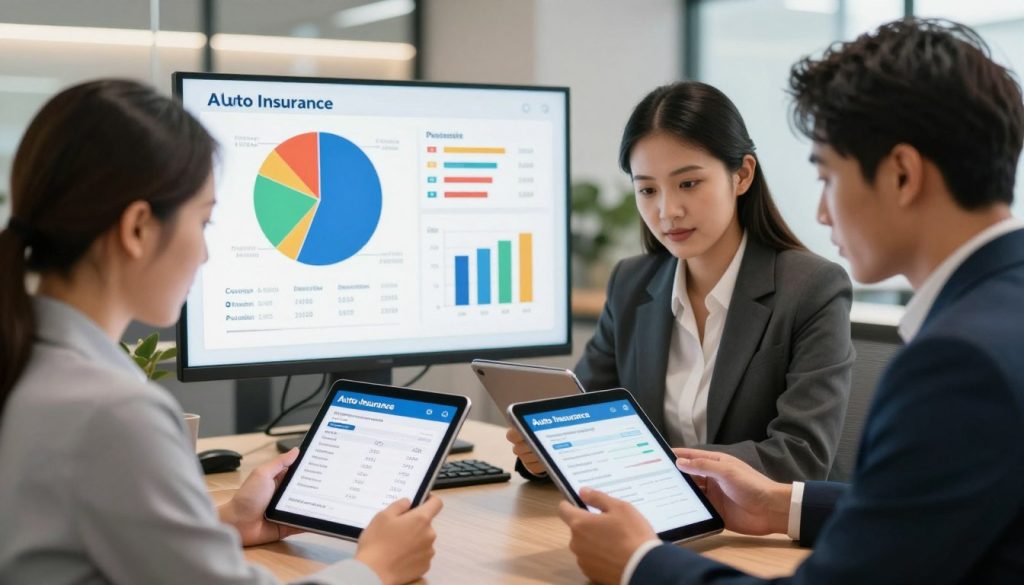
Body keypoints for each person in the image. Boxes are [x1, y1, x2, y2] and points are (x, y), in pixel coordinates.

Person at [557, 18, 1024, 585]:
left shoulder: (957, 362)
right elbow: (921, 516)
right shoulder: (1001, 316)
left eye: (827, 176)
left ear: (902, 174)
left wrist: (638, 564)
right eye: (647, 188)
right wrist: (784, 505)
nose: (823, 213)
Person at [0, 79, 441, 585]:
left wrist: (221, 525)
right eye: (204, 223)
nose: (206, 255)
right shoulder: (112, 411)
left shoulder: (27, 361)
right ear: (138, 228)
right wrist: (376, 568)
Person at [510, 81, 854, 483]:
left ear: (741, 175)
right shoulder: (631, 283)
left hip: (765, 535)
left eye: (688, 183)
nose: (667, 211)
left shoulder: (812, 288)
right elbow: (582, 414)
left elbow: (800, 456)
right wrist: (545, 451)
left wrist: (645, 463)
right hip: (654, 515)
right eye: (647, 189)